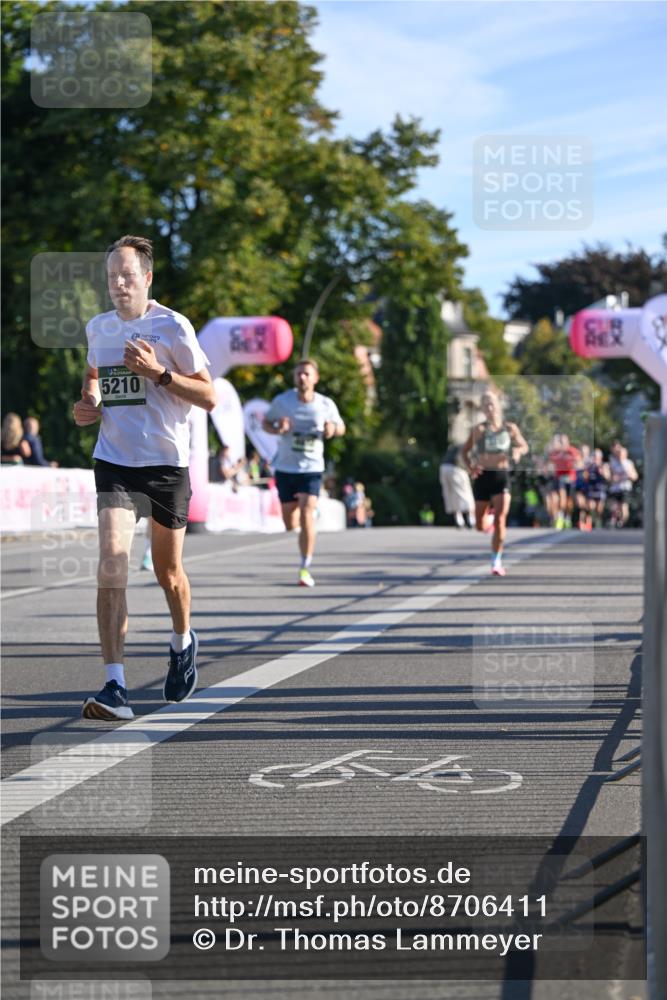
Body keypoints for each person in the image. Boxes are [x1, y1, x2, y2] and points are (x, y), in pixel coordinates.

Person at [72, 234, 216, 721]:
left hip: (166, 465)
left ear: (147, 278)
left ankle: (182, 640)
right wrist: (89, 404)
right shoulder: (99, 327)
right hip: (114, 462)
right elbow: (93, 376)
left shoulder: (173, 326)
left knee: (167, 572)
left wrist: (159, 374)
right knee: (111, 564)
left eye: (128, 275)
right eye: (112, 276)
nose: (118, 284)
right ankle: (115, 686)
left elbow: (209, 396)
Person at [262, 358, 345, 587]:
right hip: (286, 468)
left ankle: (305, 566)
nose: (302, 377)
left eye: (307, 374)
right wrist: (278, 427)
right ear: (294, 378)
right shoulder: (282, 401)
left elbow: (341, 427)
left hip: (312, 467)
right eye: (299, 374)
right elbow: (266, 424)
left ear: (315, 378)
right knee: (290, 521)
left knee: (307, 513)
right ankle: (303, 520)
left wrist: (332, 429)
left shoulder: (325, 404)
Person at [461, 390, 528, 576]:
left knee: (501, 519)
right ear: (482, 409)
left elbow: (524, 445)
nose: (489, 408)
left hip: (501, 476)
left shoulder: (510, 428)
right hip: (483, 477)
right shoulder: (479, 430)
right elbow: (464, 452)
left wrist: (517, 451)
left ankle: (496, 561)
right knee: (479, 526)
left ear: (498, 405)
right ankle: (487, 520)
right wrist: (471, 468)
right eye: (485, 405)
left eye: (491, 404)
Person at [439, 444, 474, 528]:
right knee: (464, 492)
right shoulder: (470, 444)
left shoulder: (455, 445)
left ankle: (458, 519)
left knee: (450, 493)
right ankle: (470, 518)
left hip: (443, 468)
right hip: (457, 468)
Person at [608, 442, 638, 528]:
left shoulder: (628, 463)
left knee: (624, 508)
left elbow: (635, 476)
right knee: (614, 507)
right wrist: (613, 478)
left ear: (625, 454)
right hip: (615, 488)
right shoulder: (613, 463)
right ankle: (614, 521)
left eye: (622, 453)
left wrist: (629, 475)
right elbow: (610, 476)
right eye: (619, 453)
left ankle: (622, 523)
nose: (620, 455)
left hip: (625, 488)